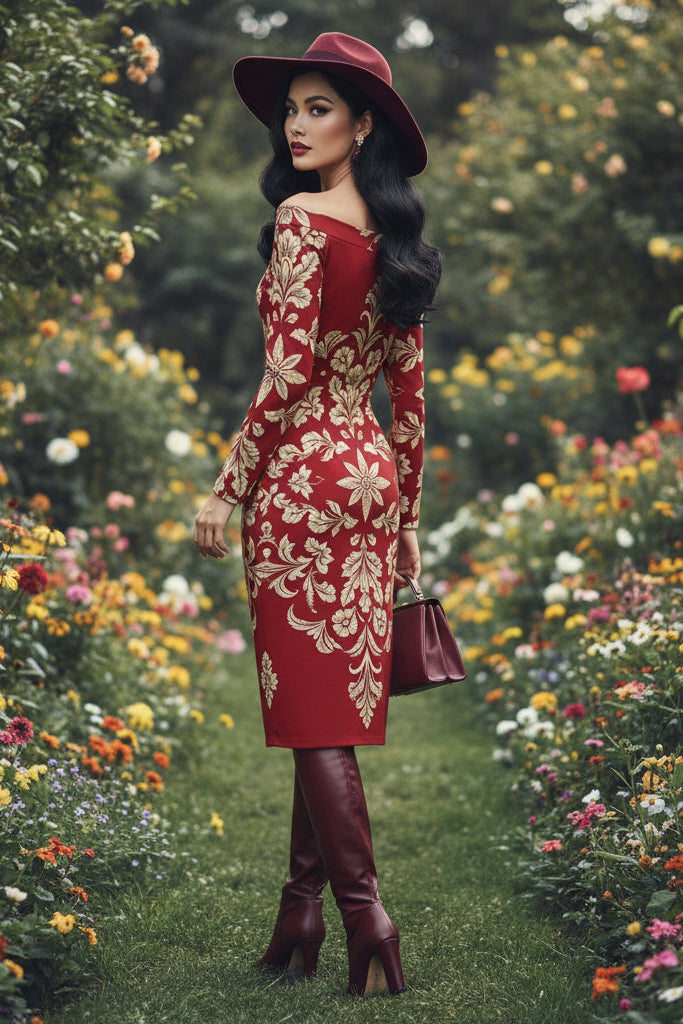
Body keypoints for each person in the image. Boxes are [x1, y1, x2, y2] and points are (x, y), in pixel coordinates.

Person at [193, 31, 441, 997]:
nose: (295, 126)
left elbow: (287, 371)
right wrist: (406, 513)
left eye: (318, 108)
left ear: (362, 124)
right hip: (367, 478)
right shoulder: (395, 239)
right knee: (323, 699)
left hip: (301, 481)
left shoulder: (302, 221)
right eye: (290, 110)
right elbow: (408, 394)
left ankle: (366, 919)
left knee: (310, 709)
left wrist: (228, 485)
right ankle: (299, 911)